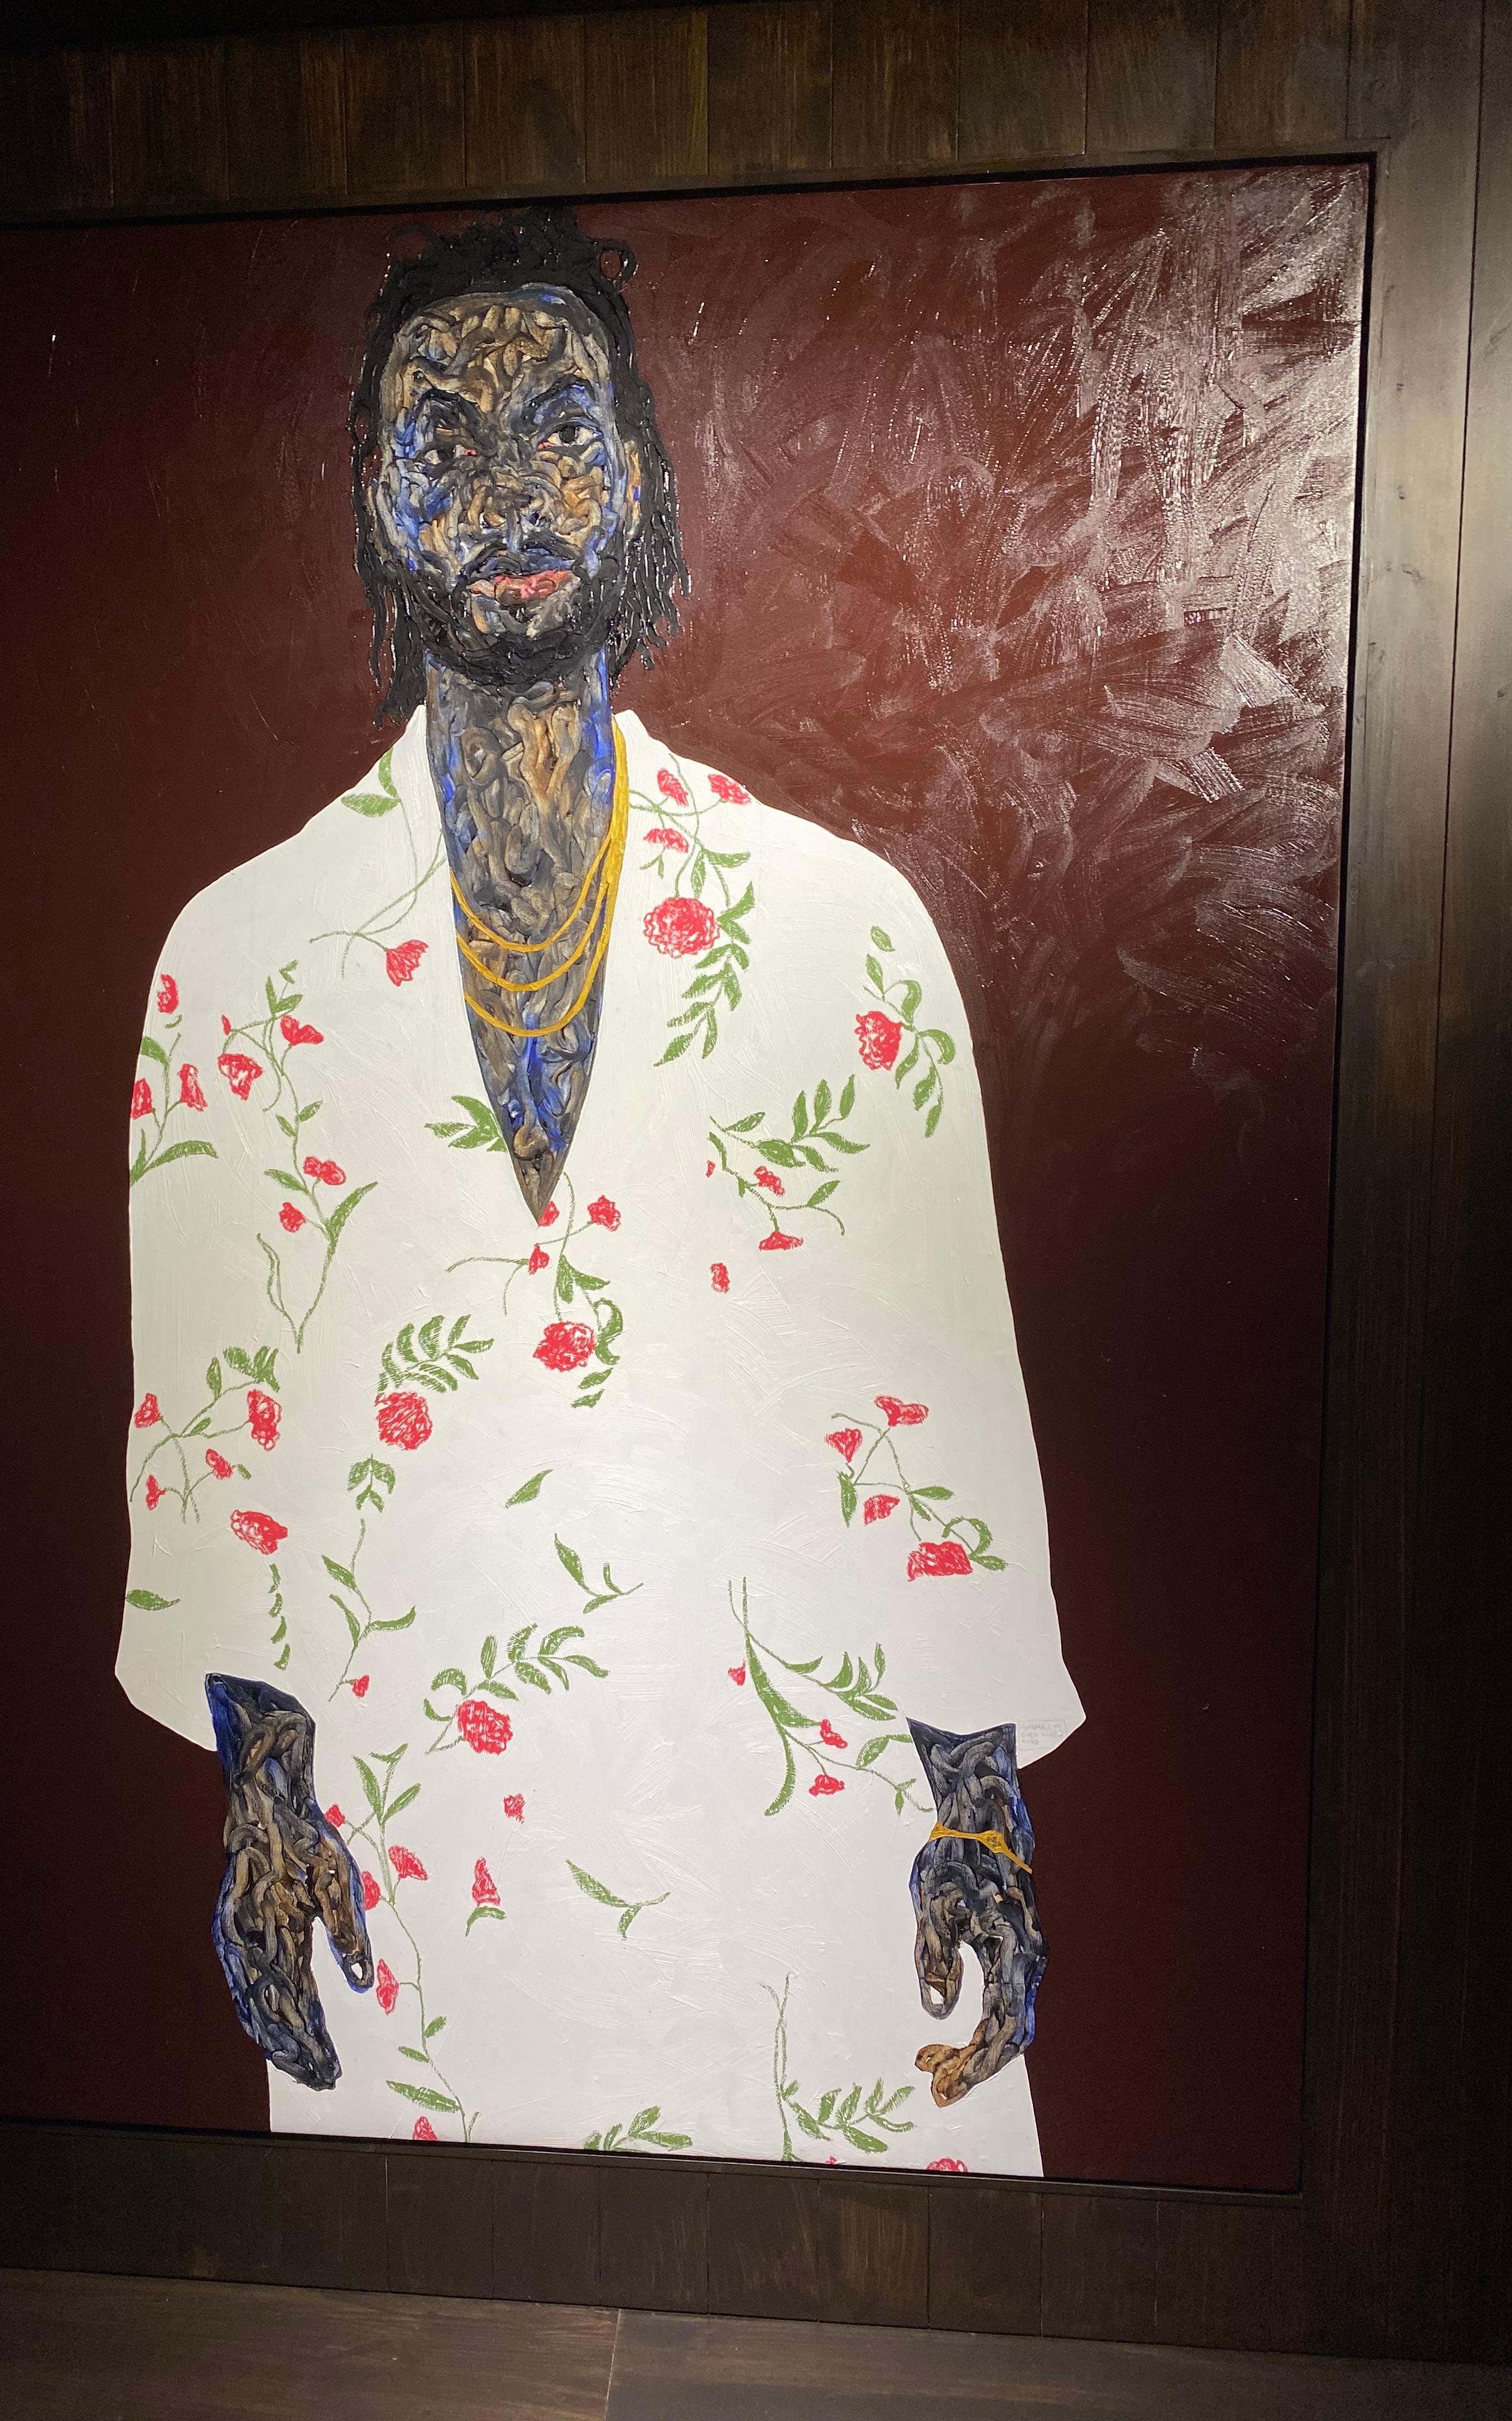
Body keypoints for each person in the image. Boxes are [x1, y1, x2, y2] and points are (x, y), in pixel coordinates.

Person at [119, 207, 1083, 2174]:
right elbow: (220, 1448)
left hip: (795, 1835)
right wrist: (263, 1802)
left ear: (639, 470)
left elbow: (943, 1428)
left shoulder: (841, 930)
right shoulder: (243, 963)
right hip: (432, 1850)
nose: (506, 488)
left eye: (561, 424)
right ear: (372, 495)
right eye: (443, 437)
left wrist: (979, 1815)